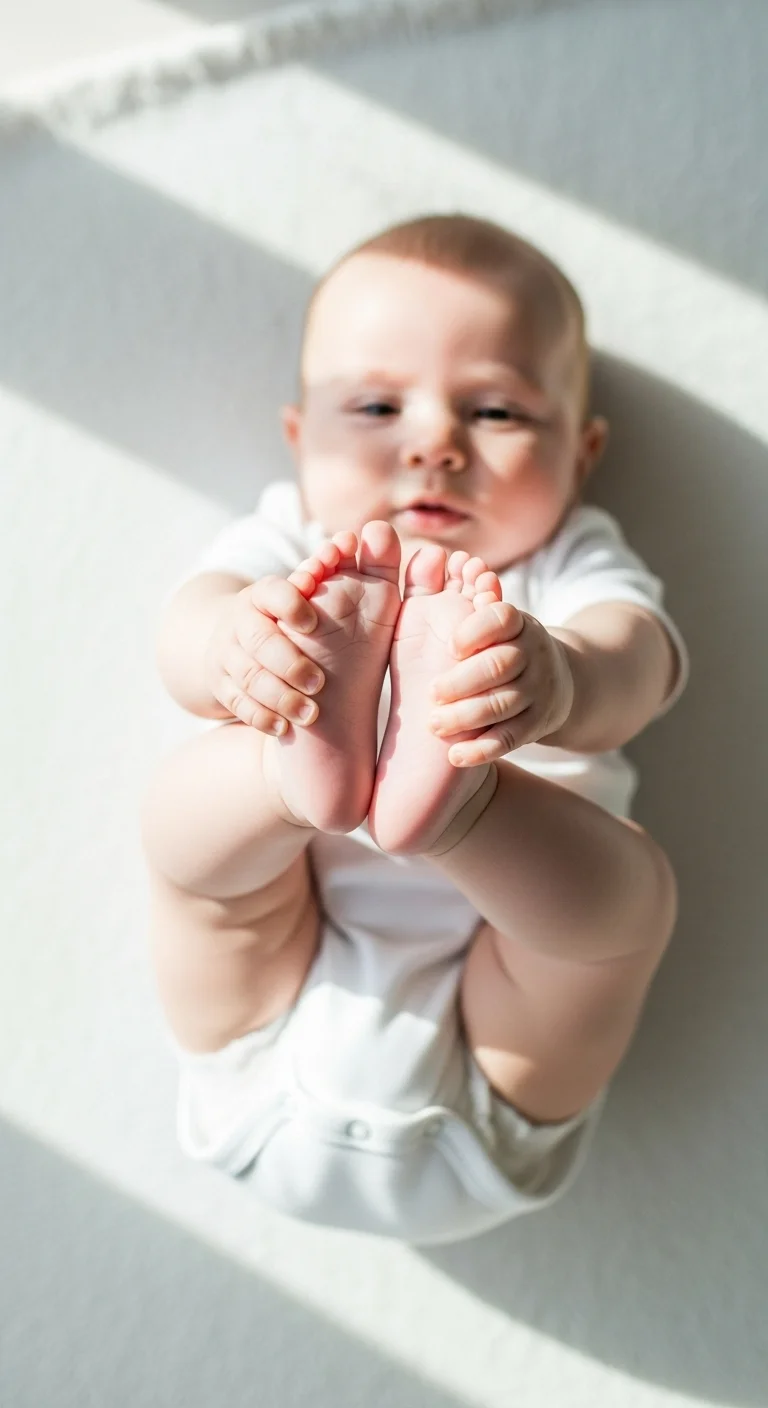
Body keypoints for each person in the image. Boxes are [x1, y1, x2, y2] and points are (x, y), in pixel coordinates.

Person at [141, 213, 689, 1245]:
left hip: (478, 1057)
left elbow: (639, 667)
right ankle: (299, 780)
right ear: (301, 437)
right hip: (284, 1002)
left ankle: (455, 808)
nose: (435, 442)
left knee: (620, 907)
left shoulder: (567, 562)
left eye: (496, 410)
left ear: (583, 451)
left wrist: (562, 679)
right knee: (192, 830)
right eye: (377, 406)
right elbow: (186, 629)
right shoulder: (298, 547)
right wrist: (230, 651)